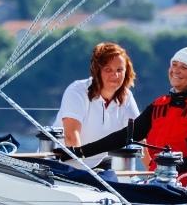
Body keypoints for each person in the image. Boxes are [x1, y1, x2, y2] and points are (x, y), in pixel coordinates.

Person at [62, 46, 187, 190]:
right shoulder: (159, 105)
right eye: (174, 65)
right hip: (159, 183)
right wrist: (80, 151)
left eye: (184, 67)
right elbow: (125, 136)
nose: (176, 71)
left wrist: (172, 169)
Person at [52, 41, 140, 169]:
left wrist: (152, 171)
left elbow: (140, 137)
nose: (115, 75)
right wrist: (84, 174)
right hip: (64, 166)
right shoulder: (77, 91)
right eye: (108, 70)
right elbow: (71, 136)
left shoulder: (127, 97)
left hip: (101, 167)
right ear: (97, 71)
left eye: (119, 70)